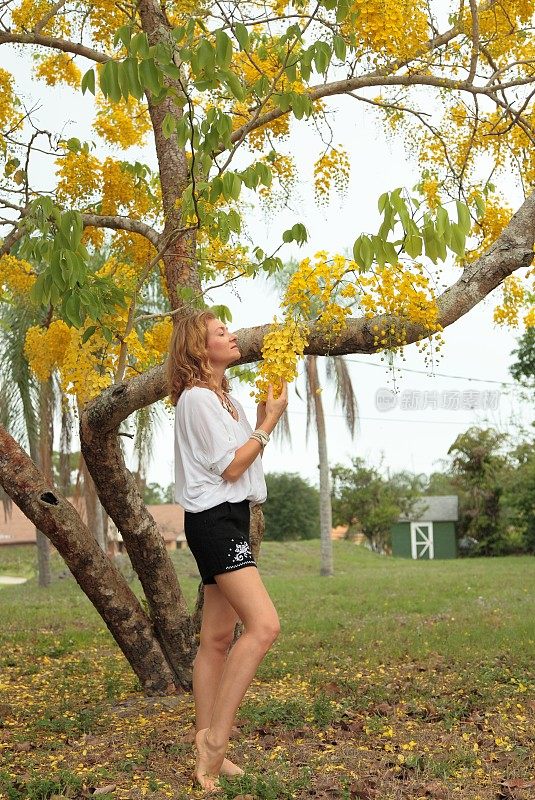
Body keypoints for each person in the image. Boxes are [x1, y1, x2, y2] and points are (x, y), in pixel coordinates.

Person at [167, 309, 288, 791]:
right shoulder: (196, 399)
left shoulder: (228, 401)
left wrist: (257, 420)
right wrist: (271, 424)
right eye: (221, 333)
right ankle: (215, 745)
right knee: (264, 626)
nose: (232, 336)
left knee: (217, 639)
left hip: (231, 516)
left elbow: (244, 464)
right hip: (214, 521)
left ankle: (205, 740)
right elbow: (232, 468)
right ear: (200, 348)